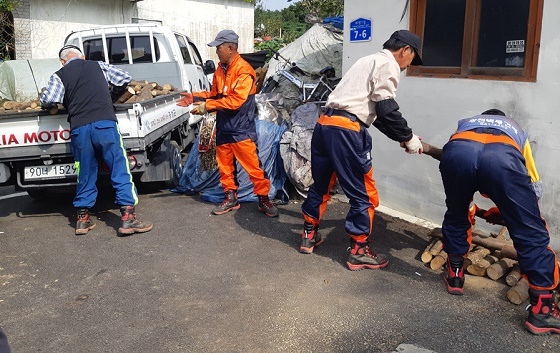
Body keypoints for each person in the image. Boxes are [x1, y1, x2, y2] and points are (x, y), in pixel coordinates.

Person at [298, 30, 424, 270]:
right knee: (363, 193)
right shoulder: (389, 64)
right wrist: (408, 136)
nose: (409, 65)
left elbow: (375, 115)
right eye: (412, 59)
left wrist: (402, 137)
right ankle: (358, 249)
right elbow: (387, 108)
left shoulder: (366, 60)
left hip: (326, 125)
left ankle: (308, 234)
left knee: (322, 184)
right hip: (347, 131)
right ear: (405, 50)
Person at [439, 108, 559, 334]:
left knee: (457, 212)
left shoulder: (465, 122)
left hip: (457, 152)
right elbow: (532, 183)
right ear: (503, 118)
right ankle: (542, 311)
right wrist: (517, 214)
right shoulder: (516, 129)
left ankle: (455, 274)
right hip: (501, 159)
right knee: (531, 233)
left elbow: (457, 156)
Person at [40, 45, 153, 236]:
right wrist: (108, 91)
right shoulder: (98, 66)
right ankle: (128, 219)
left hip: (79, 128)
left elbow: (50, 99)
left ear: (62, 61)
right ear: (82, 57)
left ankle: (83, 220)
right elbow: (124, 78)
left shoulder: (59, 74)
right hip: (105, 125)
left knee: (84, 171)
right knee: (119, 167)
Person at [177, 29, 279, 218]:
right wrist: (194, 97)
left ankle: (264, 199)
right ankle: (230, 198)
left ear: (231, 48)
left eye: (219, 47)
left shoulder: (244, 72)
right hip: (224, 128)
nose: (216, 51)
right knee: (225, 168)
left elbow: (235, 101)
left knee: (253, 168)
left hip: (241, 130)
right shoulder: (220, 70)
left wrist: (207, 106)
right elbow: (216, 94)